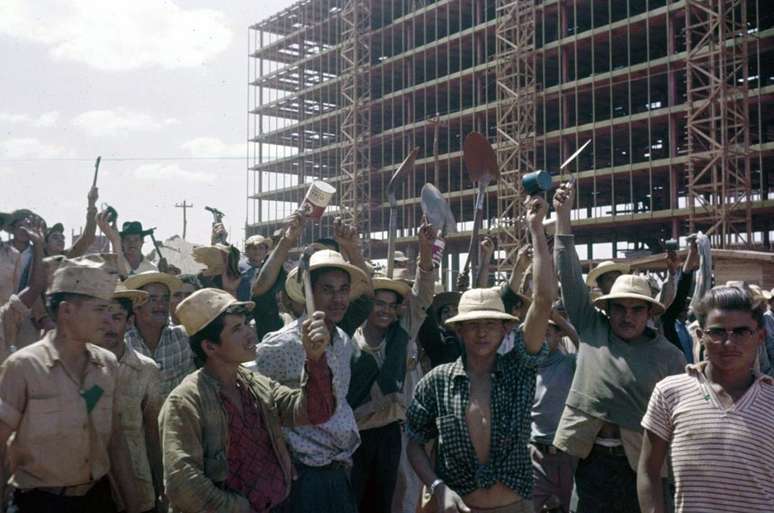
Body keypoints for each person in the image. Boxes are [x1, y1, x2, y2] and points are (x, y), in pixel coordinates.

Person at [406, 195, 555, 513]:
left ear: (505, 330)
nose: (483, 332)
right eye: (473, 325)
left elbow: (543, 299)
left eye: (491, 324)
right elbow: (415, 442)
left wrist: (536, 229)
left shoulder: (519, 368)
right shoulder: (437, 382)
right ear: (459, 330)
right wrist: (437, 488)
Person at [551, 182, 686, 513]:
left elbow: (682, 424)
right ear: (606, 310)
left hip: (641, 465)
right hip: (589, 458)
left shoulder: (669, 356)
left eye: (637, 309)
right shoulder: (592, 328)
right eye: (620, 308)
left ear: (650, 313)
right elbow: (568, 275)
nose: (628, 316)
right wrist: (563, 219)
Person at [161, 288, 336, 513]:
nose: (250, 333)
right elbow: (182, 484)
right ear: (210, 346)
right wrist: (239, 507)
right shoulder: (185, 403)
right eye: (237, 329)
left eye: (246, 323)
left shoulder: (256, 384)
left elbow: (315, 412)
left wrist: (315, 358)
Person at [638, 284, 774, 513]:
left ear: (760, 336)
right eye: (718, 332)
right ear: (701, 336)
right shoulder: (670, 393)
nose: (729, 343)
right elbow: (649, 470)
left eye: (741, 332)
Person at [0, 259, 120, 512]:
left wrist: (134, 502)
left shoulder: (107, 365)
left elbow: (116, 442)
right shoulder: (24, 367)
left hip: (97, 498)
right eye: (100, 310)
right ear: (66, 311)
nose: (110, 320)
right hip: (40, 503)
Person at [255, 250, 369, 513]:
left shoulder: (342, 340)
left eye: (343, 290)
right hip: (302, 476)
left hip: (339, 468)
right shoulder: (283, 344)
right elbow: (252, 394)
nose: (338, 299)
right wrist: (279, 454)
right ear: (309, 293)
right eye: (327, 290)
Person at [349, 219, 435, 513]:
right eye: (378, 303)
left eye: (391, 305)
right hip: (355, 435)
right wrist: (351, 248)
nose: (385, 310)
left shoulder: (404, 331)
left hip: (392, 433)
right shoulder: (350, 333)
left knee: (394, 498)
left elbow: (424, 294)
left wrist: (425, 251)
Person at [98, 282, 164, 513]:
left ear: (128, 322)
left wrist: (159, 487)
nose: (107, 325)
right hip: (89, 486)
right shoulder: (76, 367)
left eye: (116, 317)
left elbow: (152, 433)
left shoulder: (146, 370)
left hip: (137, 485)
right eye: (101, 316)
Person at [528, 314, 578, 513]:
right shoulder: (527, 367)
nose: (541, 339)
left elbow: (587, 349)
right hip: (536, 457)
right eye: (536, 333)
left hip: (570, 458)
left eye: (547, 333)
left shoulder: (570, 363)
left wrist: (555, 317)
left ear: (559, 336)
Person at [124, 271, 194, 397]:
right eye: (153, 299)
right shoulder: (124, 343)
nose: (161, 304)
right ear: (136, 306)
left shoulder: (182, 338)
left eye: (166, 298)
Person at [0, 223, 46, 364]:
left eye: (28, 225)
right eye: (21, 225)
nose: (25, 229)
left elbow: (36, 286)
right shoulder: (3, 250)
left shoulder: (38, 253)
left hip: (26, 314)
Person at [42, 185, 99, 258]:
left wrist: (91, 203)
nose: (60, 240)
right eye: (55, 237)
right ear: (45, 243)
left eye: (62, 237)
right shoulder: (35, 258)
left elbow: (87, 237)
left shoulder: (67, 257)